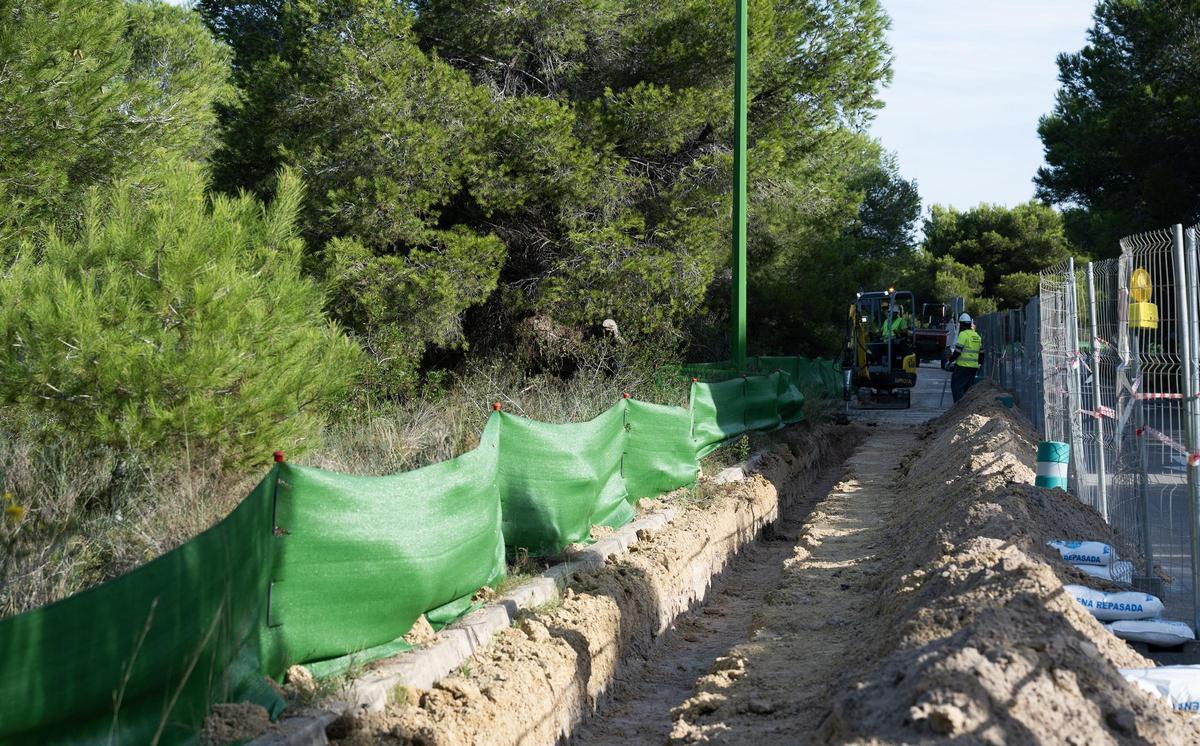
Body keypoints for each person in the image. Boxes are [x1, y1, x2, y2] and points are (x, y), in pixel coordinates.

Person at [949, 312, 983, 403]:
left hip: (962, 367)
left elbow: (958, 351)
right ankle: (966, 407)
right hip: (973, 368)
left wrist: (950, 360)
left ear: (962, 324)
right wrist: (980, 363)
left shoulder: (963, 334)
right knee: (968, 388)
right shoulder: (977, 336)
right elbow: (982, 352)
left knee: (956, 387)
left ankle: (958, 407)